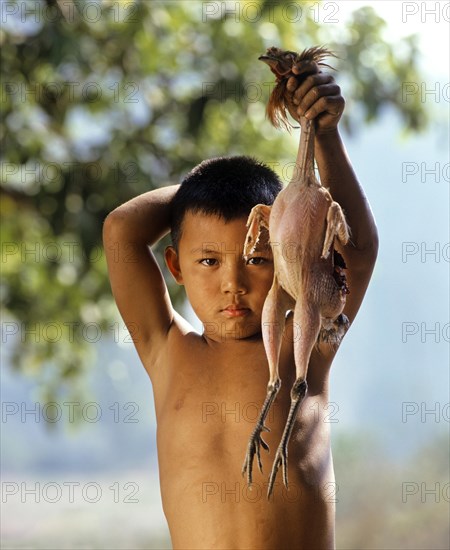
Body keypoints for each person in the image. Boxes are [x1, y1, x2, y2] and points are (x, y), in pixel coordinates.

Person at [103, 68, 378, 549]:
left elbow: (357, 252)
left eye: (256, 258)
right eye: (208, 261)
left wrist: (322, 144)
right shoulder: (166, 351)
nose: (232, 283)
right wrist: (207, 190)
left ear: (287, 255)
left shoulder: (307, 347)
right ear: (176, 265)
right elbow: (121, 230)